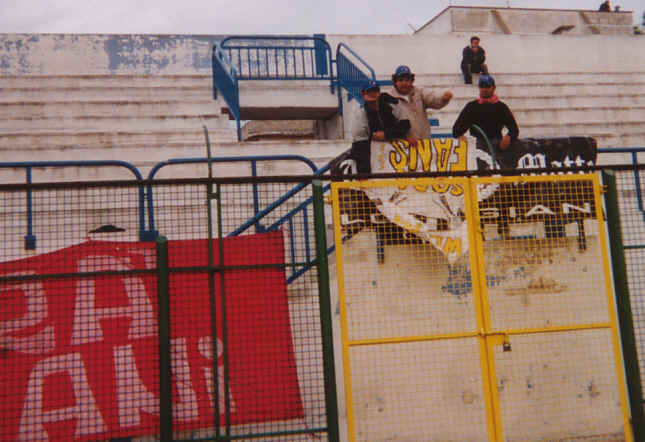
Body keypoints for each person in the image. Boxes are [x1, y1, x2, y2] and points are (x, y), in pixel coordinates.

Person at [452, 74, 519, 169]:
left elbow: (514, 130)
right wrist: (461, 136)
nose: (484, 89)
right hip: (477, 146)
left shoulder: (501, 107)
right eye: (482, 86)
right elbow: (456, 129)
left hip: (496, 146)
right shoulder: (472, 106)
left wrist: (508, 137)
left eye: (487, 86)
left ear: (494, 88)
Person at [348, 79, 410, 172]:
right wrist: (364, 172)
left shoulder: (393, 105)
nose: (372, 94)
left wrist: (386, 134)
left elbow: (405, 125)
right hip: (374, 153)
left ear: (379, 92)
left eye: (375, 90)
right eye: (369, 91)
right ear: (363, 94)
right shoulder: (360, 115)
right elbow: (360, 144)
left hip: (396, 150)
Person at [387, 65, 453, 147]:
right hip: (402, 147)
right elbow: (390, 125)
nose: (404, 83)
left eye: (407, 80)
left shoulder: (419, 92)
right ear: (395, 82)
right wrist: (406, 137)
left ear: (412, 81)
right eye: (400, 80)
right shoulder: (389, 99)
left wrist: (443, 98)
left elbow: (432, 98)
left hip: (424, 144)